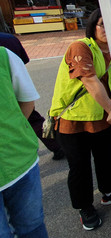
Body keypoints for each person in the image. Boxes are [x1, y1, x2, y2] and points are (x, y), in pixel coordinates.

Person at [0, 46, 88, 238]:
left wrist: (9, 134)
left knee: (31, 223)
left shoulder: (4, 56)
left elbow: (26, 101)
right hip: (16, 157)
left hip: (17, 160)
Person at [49, 9, 111, 230]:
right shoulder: (81, 47)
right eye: (103, 25)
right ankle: (84, 207)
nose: (107, 30)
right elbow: (90, 81)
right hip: (72, 119)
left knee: (104, 158)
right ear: (93, 26)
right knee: (79, 165)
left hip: (100, 117)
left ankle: (109, 192)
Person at [0, 32, 65, 160]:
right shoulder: (9, 39)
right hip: (18, 85)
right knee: (33, 118)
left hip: (5, 93)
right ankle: (57, 146)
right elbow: (24, 61)